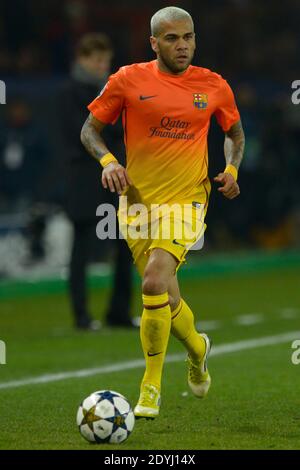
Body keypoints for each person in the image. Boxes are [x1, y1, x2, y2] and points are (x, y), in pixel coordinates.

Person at [81, 7, 245, 418]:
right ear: (153, 43)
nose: (183, 45)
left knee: (154, 282)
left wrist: (230, 169)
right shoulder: (127, 80)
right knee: (166, 296)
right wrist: (109, 163)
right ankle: (197, 348)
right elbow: (89, 130)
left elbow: (235, 133)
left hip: (189, 199)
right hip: (137, 205)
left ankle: (149, 386)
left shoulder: (213, 85)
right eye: (172, 39)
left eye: (188, 37)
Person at [59, 33, 134, 330]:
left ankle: (119, 312)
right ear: (82, 59)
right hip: (84, 181)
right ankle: (81, 315)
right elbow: (80, 135)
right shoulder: (67, 93)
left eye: (106, 60)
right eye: (97, 60)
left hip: (115, 179)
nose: (102, 65)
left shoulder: (112, 91)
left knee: (126, 245)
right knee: (82, 249)